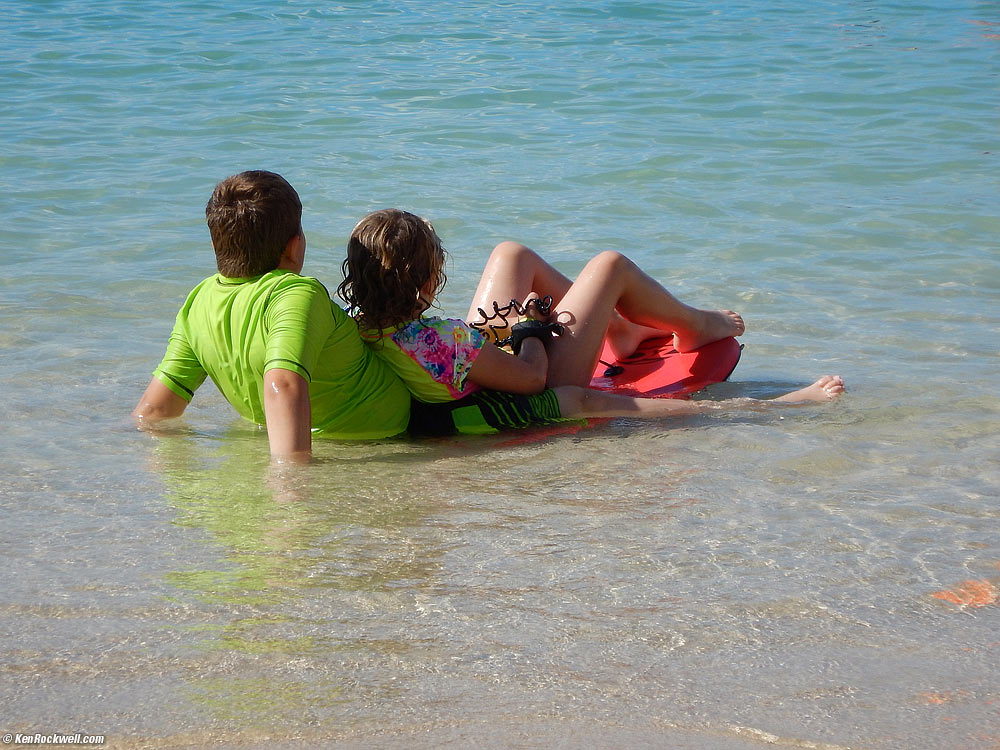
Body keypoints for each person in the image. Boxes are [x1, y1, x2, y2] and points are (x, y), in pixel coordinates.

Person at [337, 209, 844, 436]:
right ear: (426, 281)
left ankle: (620, 332)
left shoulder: (367, 325)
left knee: (511, 255)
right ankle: (701, 333)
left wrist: (500, 333)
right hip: (522, 383)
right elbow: (532, 379)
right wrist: (529, 329)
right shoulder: (440, 340)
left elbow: (452, 354)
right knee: (609, 265)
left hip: (467, 366)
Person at [132, 171, 411, 459]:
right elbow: (284, 383)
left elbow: (155, 412)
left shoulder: (199, 301)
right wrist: (289, 480)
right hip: (386, 433)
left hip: (305, 435)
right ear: (293, 246)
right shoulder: (295, 293)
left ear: (215, 245)